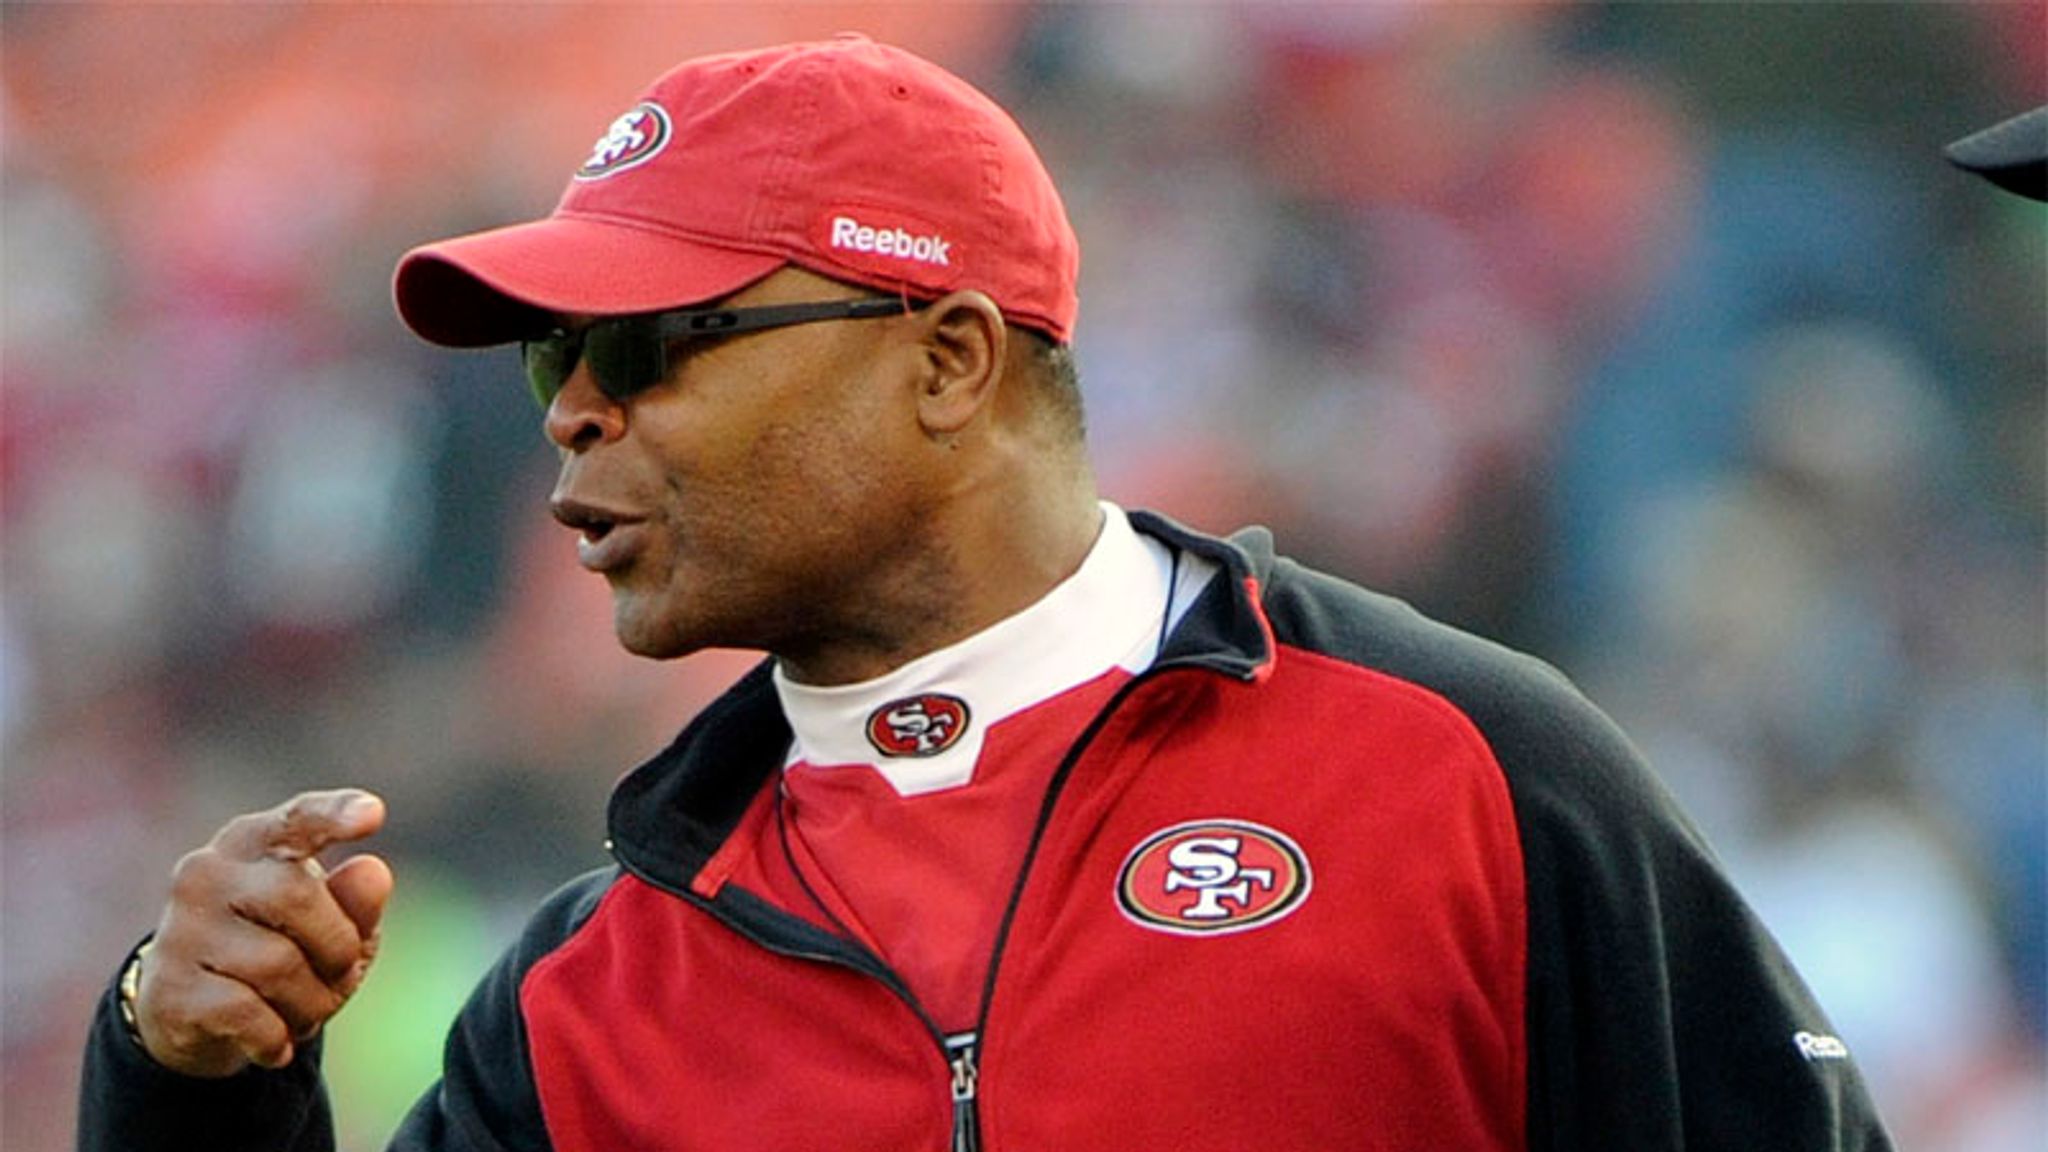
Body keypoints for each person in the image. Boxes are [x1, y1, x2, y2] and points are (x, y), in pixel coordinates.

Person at [79, 34, 1895, 1151]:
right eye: (550, 355)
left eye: (648, 341)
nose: (572, 408)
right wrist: (192, 1083)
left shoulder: (1474, 771)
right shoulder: (582, 994)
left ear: (947, 360)